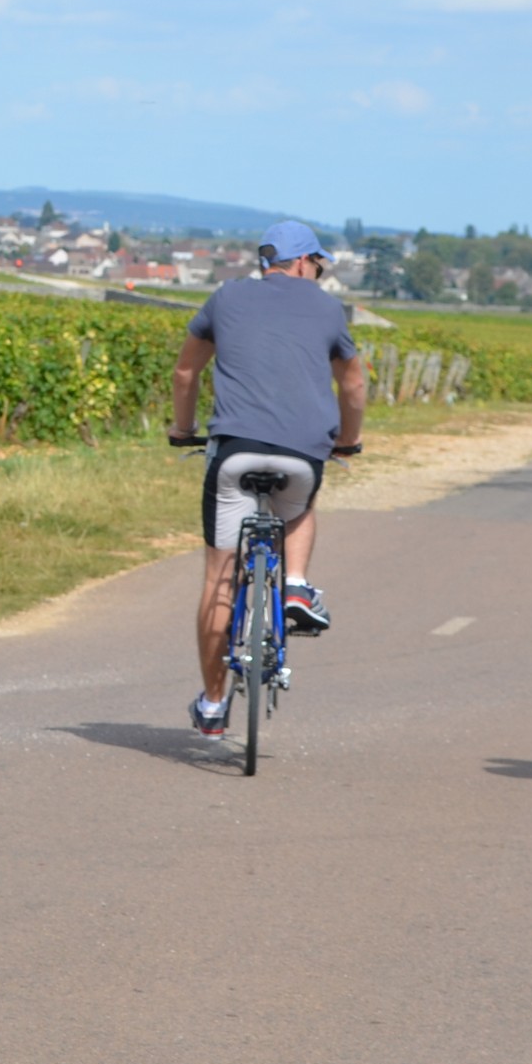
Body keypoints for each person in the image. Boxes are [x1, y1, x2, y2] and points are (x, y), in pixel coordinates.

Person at [168, 220, 367, 736]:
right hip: (302, 454)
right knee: (298, 504)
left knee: (218, 580)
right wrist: (347, 439)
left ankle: (214, 705)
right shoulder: (327, 308)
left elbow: (186, 372)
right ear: (302, 262)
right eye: (318, 265)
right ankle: (296, 588)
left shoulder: (226, 296)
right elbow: (354, 383)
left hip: (233, 451)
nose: (319, 275)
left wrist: (182, 428)